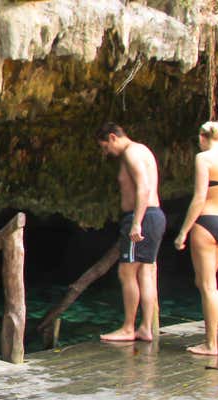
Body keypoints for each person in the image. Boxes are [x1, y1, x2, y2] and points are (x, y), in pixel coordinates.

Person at [174, 121, 218, 356]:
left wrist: (184, 231)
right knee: (207, 283)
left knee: (206, 286)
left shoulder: (203, 159)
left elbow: (199, 198)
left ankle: (211, 344)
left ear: (204, 137)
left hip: (206, 222)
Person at [95, 123, 166, 342]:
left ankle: (128, 328)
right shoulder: (143, 150)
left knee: (126, 273)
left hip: (141, 217)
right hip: (153, 216)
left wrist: (136, 223)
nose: (106, 152)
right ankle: (145, 328)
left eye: (105, 147)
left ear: (113, 137)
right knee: (144, 273)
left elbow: (143, 188)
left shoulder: (131, 153)